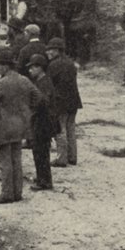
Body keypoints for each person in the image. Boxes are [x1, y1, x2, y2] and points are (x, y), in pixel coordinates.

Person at [0, 47, 43, 203]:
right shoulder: (24, 80)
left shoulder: (1, 83)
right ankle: (17, 192)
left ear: (5, 66)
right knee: (16, 158)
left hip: (4, 125)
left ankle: (7, 193)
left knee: (5, 160)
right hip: (21, 125)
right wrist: (28, 110)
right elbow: (38, 97)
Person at [46, 37, 82, 168]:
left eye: (50, 50)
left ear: (57, 50)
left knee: (60, 129)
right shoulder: (70, 63)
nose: (48, 52)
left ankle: (61, 158)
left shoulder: (53, 65)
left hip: (60, 102)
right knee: (71, 128)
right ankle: (72, 157)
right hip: (74, 101)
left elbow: (50, 85)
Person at [25, 53, 56, 191]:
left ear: (40, 68)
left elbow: (43, 102)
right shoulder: (42, 81)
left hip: (42, 122)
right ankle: (41, 177)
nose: (30, 70)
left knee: (41, 152)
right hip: (40, 121)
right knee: (38, 152)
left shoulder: (44, 83)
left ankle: (44, 182)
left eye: (32, 67)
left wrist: (31, 108)